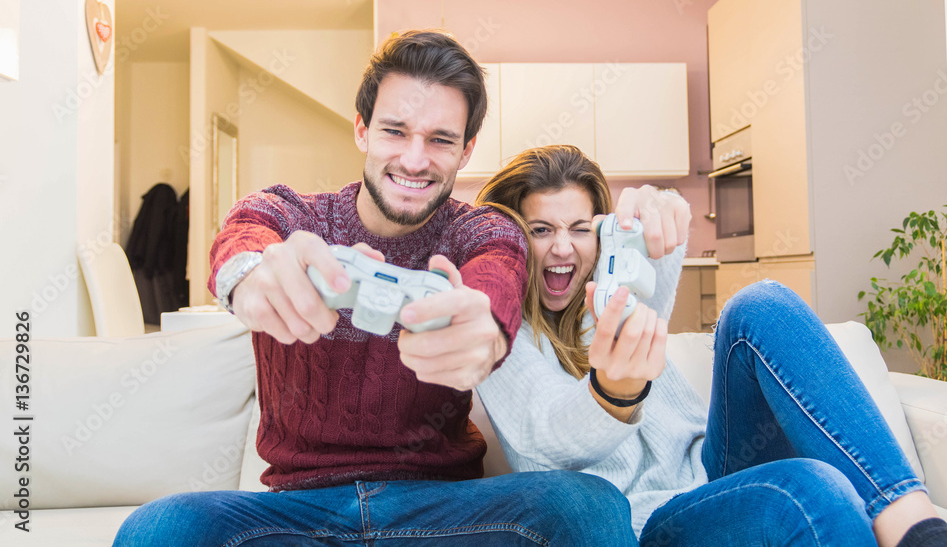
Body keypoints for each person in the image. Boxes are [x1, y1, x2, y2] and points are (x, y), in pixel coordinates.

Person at [112, 32, 637, 547]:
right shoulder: (296, 215)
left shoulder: (482, 230)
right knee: (159, 528)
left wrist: (483, 324)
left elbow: (496, 272)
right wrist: (250, 275)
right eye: (395, 131)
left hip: (443, 511)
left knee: (589, 505)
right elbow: (247, 231)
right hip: (299, 511)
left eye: (440, 139)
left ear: (466, 149)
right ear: (362, 129)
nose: (414, 159)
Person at [474, 144, 947, 547]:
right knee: (812, 489)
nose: (563, 247)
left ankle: (916, 526)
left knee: (761, 304)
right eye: (540, 230)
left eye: (580, 229)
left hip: (713, 473)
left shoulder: (611, 290)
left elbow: (664, 241)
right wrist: (612, 389)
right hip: (647, 524)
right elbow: (550, 439)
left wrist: (663, 204)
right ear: (513, 241)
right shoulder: (502, 334)